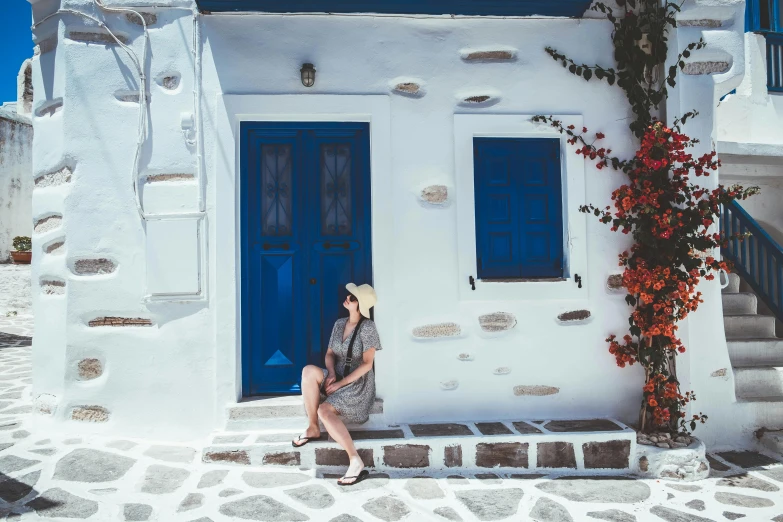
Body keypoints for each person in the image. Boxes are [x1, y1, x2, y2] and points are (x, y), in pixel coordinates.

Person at [292, 283, 382, 486]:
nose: (348, 298)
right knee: (308, 371)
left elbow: (367, 365)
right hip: (338, 375)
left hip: (357, 384)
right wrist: (331, 373)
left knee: (325, 409)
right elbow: (330, 354)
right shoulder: (340, 323)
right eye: (349, 296)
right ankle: (313, 428)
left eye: (353, 297)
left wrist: (340, 384)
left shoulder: (368, 328)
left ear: (360, 305)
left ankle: (354, 460)